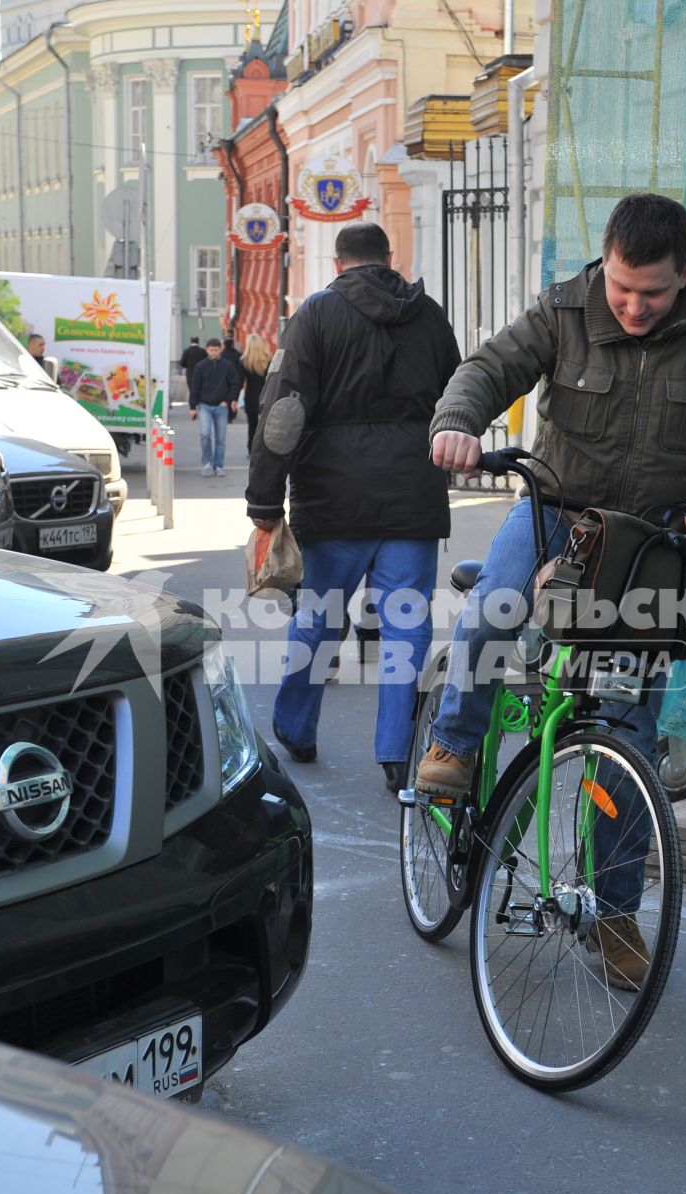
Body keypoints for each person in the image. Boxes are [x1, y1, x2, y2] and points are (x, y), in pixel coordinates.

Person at [416, 192, 686, 988]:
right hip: (553, 507)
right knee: (492, 613)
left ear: (685, 274)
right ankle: (454, 741)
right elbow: (488, 367)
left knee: (629, 732)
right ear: (607, 264)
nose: (633, 306)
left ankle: (612, 912)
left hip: (650, 539)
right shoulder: (566, 307)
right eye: (622, 288)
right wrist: (457, 421)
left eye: (651, 292)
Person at [246, 221, 461, 793]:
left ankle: (296, 728)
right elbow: (460, 392)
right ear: (387, 259)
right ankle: (396, 753)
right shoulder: (430, 314)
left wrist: (264, 501)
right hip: (413, 495)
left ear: (338, 264)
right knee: (406, 627)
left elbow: (284, 411)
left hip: (331, 497)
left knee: (317, 619)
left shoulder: (315, 314)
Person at [188, 339, 241, 476]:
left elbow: (235, 384)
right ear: (207, 350)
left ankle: (218, 465)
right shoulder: (200, 366)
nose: (214, 352)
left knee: (220, 438)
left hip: (221, 406)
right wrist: (193, 406)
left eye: (216, 350)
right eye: (211, 350)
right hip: (205, 405)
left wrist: (229, 400)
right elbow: (195, 387)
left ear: (220, 350)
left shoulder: (227, 366)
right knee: (205, 435)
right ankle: (207, 463)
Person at [240, 332, 272, 452]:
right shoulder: (268, 360)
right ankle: (265, 449)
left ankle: (251, 449)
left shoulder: (243, 361)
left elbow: (239, 380)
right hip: (266, 395)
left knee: (252, 425)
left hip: (250, 396)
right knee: (265, 425)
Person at [178, 334, 206, 404]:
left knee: (192, 389)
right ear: (198, 341)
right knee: (200, 389)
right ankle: (200, 402)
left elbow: (182, 363)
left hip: (190, 373)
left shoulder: (187, 351)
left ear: (190, 341)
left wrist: (187, 366)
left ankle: (192, 405)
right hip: (201, 373)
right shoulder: (202, 351)